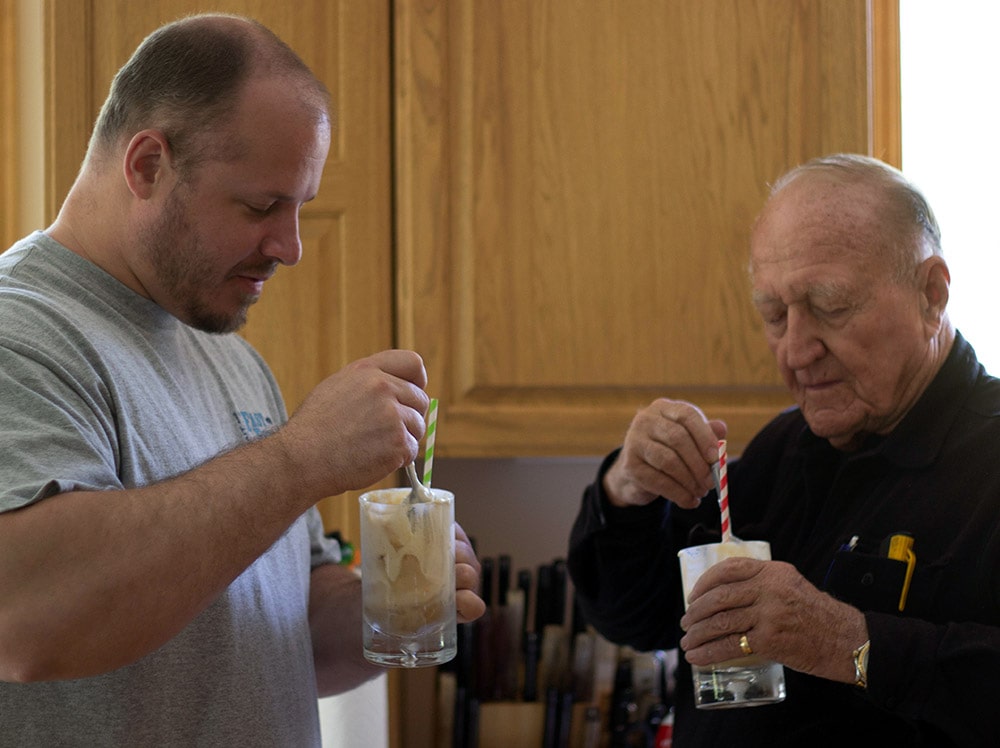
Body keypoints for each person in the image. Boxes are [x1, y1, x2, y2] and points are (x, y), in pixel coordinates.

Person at [0, 14, 484, 746]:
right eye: (262, 206)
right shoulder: (23, 335)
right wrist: (301, 458)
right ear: (147, 166)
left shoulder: (233, 357)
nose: (290, 247)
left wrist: (395, 602)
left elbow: (285, 633)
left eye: (300, 207)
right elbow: (29, 616)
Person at [568, 153, 1000, 746]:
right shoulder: (783, 449)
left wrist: (849, 643)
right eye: (774, 315)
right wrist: (626, 491)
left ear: (931, 295)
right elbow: (634, 617)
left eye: (831, 306)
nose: (795, 352)